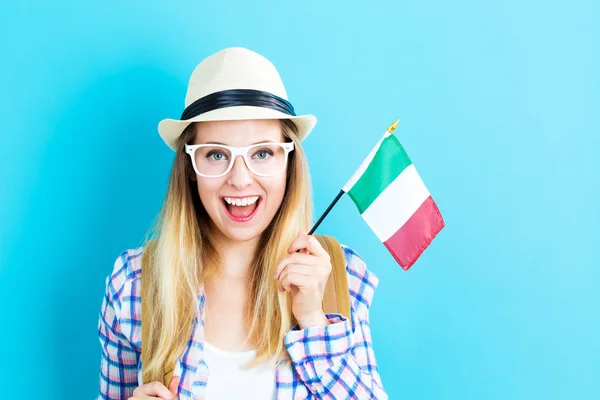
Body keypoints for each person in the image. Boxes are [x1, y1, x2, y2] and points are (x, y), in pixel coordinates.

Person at [97, 47, 387, 400]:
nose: (240, 180)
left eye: (262, 153)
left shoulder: (339, 276)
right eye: (216, 155)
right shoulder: (134, 283)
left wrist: (314, 321)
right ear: (190, 167)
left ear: (288, 162)